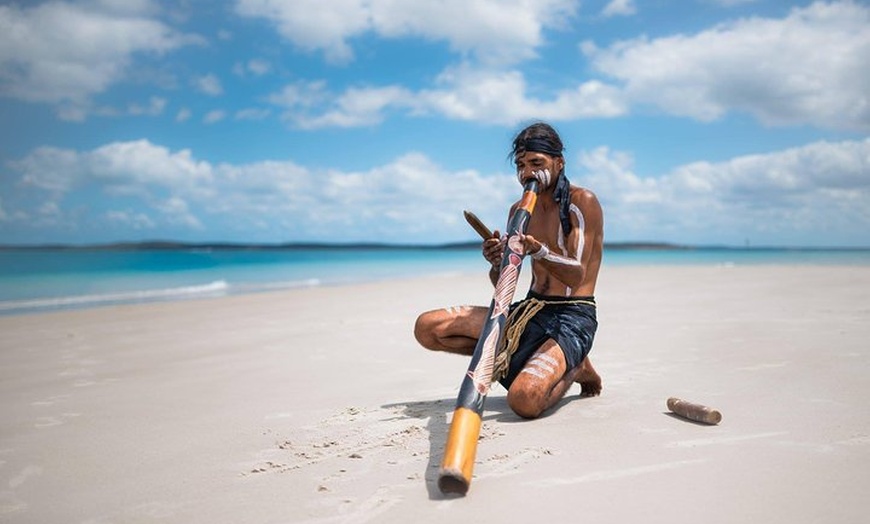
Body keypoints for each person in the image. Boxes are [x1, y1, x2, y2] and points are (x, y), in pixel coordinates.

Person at [414, 122, 604, 419]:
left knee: (524, 400)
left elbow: (576, 274)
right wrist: (497, 262)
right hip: (529, 311)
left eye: (536, 163)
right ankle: (537, 358)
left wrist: (538, 250)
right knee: (428, 328)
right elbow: (504, 285)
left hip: (571, 316)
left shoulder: (582, 202)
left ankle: (576, 366)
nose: (527, 173)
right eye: (521, 165)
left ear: (559, 162)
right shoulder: (519, 210)